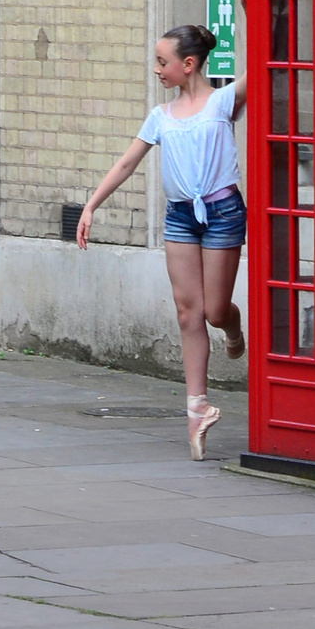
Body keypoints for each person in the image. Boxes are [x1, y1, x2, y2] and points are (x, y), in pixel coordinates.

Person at [77, 24, 247, 462]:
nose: (156, 69)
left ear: (187, 64)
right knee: (188, 312)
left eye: (162, 61)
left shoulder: (223, 101)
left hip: (222, 211)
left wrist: (258, 12)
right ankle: (197, 410)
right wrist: (91, 205)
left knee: (213, 310)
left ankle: (232, 325)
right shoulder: (160, 115)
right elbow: (127, 163)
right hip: (180, 217)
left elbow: (268, 69)